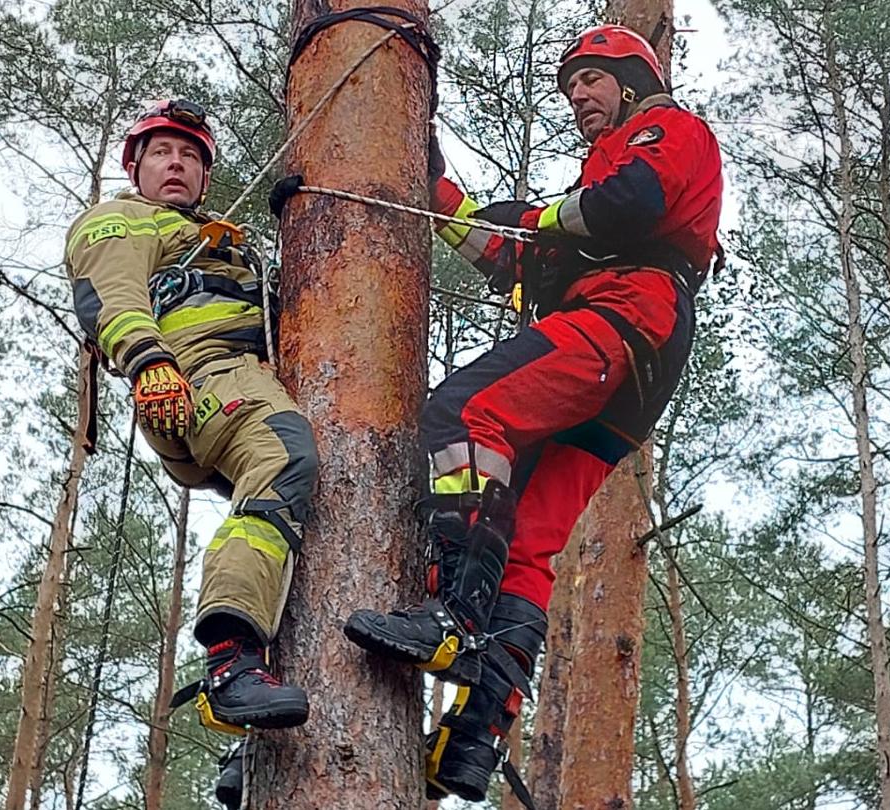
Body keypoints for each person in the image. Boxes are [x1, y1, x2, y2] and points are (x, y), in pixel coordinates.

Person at [303, 24, 724, 800]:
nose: (579, 100)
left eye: (590, 82)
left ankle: (455, 614)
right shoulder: (589, 196)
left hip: (624, 320)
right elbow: (503, 248)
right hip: (633, 365)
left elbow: (632, 202)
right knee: (530, 542)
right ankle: (477, 734)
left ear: (632, 79)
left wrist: (546, 218)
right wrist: (428, 179)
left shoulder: (667, 131)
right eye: (569, 91)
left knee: (465, 414)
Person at [65, 99, 315, 740]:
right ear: (135, 166)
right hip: (197, 378)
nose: (176, 164)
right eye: (161, 153)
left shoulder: (215, 240)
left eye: (190, 156)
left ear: (205, 176)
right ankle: (231, 662)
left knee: (288, 514)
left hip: (242, 381)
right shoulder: (119, 221)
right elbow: (111, 295)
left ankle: (243, 740)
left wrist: (306, 222)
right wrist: (149, 362)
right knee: (285, 458)